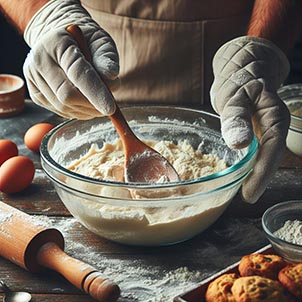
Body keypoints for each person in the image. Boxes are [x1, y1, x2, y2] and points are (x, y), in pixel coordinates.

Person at [0, 0, 301, 204]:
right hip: (92, 58)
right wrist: (47, 14)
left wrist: (259, 52)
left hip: (227, 72)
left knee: (236, 142)